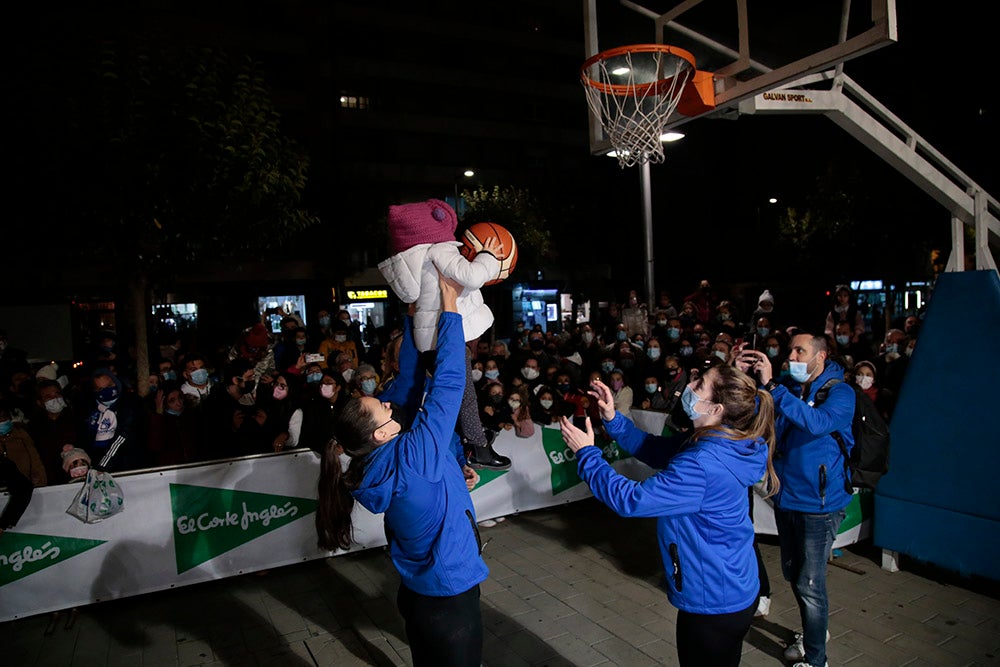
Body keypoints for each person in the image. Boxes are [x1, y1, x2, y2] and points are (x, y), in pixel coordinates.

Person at [316, 273, 488, 666]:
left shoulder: (375, 465)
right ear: (380, 433)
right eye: (382, 408)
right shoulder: (413, 456)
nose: (388, 403)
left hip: (419, 595)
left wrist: (413, 319)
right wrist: (449, 308)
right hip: (450, 600)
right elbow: (449, 383)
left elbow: (410, 382)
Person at [559, 370, 778, 667]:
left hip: (713, 600)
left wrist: (587, 455)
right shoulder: (722, 439)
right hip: (732, 587)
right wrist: (613, 418)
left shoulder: (702, 462)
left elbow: (631, 500)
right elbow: (653, 449)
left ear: (716, 408)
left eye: (699, 384)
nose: (689, 385)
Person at [737, 331, 854, 667]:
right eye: (791, 351)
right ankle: (815, 630)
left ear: (821, 356)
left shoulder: (840, 392)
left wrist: (775, 388)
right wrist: (743, 375)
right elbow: (753, 411)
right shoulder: (787, 386)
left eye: (800, 351)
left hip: (819, 505)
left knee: (809, 583)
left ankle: (817, 659)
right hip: (787, 498)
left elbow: (817, 422)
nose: (792, 357)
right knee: (793, 573)